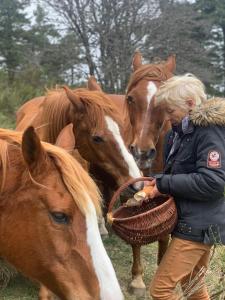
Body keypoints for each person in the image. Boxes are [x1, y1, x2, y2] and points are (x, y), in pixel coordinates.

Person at [147, 73, 225, 300]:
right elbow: (179, 176)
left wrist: (163, 183)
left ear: (190, 104)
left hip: (198, 227)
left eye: (170, 111)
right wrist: (154, 183)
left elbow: (214, 181)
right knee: (194, 288)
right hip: (188, 222)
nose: (167, 117)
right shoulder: (177, 135)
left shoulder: (210, 132)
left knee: (160, 291)